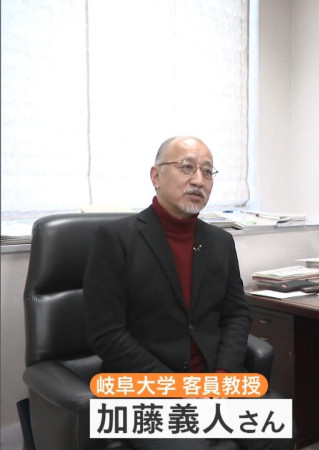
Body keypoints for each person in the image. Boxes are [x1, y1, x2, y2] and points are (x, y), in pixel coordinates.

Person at [84, 136, 293, 450]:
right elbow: (107, 334)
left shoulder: (220, 242)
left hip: (213, 381)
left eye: (207, 172)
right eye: (187, 167)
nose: (198, 180)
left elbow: (236, 315)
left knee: (280, 430)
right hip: (142, 387)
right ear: (156, 176)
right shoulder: (115, 239)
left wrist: (222, 377)